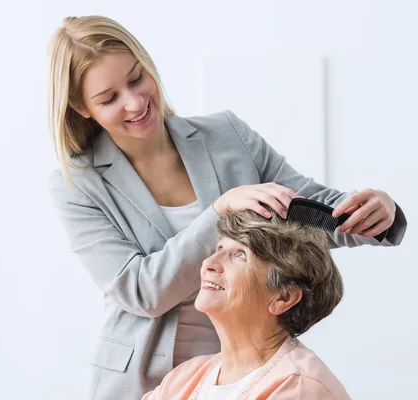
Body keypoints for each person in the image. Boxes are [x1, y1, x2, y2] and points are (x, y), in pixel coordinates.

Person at [46, 15, 406, 400]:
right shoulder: (77, 185)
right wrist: (218, 212)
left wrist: (379, 214)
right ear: (81, 107)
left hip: (241, 367)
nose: (134, 102)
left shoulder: (226, 135)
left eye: (136, 78)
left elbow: (306, 209)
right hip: (142, 380)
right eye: (109, 98)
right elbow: (140, 290)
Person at [142, 210, 351, 400]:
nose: (209, 263)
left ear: (283, 298)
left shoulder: (299, 387)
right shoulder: (185, 377)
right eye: (220, 247)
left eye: (240, 254)